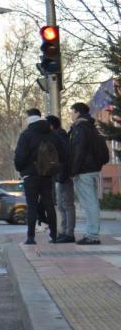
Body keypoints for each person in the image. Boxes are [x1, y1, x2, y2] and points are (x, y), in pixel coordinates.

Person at [14, 108, 63, 245]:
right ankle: (54, 235)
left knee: (32, 206)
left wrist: (20, 169)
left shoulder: (26, 134)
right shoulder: (52, 134)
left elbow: (20, 156)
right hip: (47, 175)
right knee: (49, 204)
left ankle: (31, 237)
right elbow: (63, 152)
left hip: (30, 175)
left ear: (29, 118)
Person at [68, 102, 110, 245]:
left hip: (84, 171)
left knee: (89, 203)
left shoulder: (80, 128)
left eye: (72, 112)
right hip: (92, 169)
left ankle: (92, 235)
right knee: (92, 203)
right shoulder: (91, 127)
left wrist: (73, 171)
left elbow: (78, 151)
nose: (71, 115)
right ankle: (92, 233)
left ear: (78, 112)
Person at [47, 114, 75, 243]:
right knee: (61, 205)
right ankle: (63, 232)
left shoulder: (59, 136)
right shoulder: (58, 135)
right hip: (59, 175)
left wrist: (62, 175)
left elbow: (64, 157)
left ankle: (69, 233)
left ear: (51, 126)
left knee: (66, 204)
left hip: (63, 175)